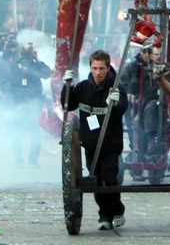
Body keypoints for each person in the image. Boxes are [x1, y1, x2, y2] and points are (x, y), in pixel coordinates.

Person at [63, 50, 127, 231]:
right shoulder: (83, 87)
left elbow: (123, 108)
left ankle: (117, 211)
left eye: (101, 68)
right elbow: (68, 105)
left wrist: (114, 104)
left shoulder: (116, 88)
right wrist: (66, 87)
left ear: (108, 68)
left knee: (109, 178)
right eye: (94, 68)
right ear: (90, 68)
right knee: (95, 180)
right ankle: (104, 216)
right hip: (90, 143)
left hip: (110, 144)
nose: (98, 72)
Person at [0, 43, 51, 167]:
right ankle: (32, 160)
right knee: (34, 133)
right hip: (31, 103)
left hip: (19, 103)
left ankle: (18, 160)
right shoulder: (34, 66)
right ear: (33, 54)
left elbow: (5, 83)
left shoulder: (13, 64)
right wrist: (37, 60)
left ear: (20, 53)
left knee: (18, 132)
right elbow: (47, 73)